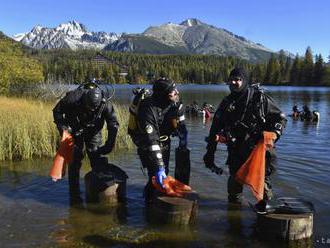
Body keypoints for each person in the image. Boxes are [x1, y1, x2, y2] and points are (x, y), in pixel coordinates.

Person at [203, 68, 286, 208]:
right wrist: (209, 154)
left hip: (258, 151)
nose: (234, 82)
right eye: (231, 79)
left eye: (238, 79)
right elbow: (214, 131)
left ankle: (268, 216)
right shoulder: (226, 103)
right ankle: (234, 216)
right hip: (236, 151)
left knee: (263, 188)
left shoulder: (259, 98)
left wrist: (274, 134)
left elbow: (280, 118)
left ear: (245, 81)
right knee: (234, 187)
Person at [53, 81, 119, 200]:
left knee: (96, 157)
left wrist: (110, 144)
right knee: (74, 160)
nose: (91, 110)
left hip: (94, 131)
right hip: (74, 129)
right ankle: (74, 192)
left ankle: (97, 193)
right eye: (89, 107)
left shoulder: (106, 104)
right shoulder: (72, 98)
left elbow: (113, 123)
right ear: (84, 100)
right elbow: (56, 111)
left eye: (94, 108)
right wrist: (62, 127)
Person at [129, 78, 187, 203]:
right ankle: (149, 203)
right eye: (173, 91)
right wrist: (159, 167)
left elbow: (181, 124)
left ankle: (156, 198)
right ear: (164, 94)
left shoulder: (175, 102)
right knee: (155, 175)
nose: (176, 92)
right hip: (146, 143)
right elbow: (151, 141)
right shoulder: (148, 109)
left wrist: (183, 140)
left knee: (164, 172)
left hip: (165, 140)